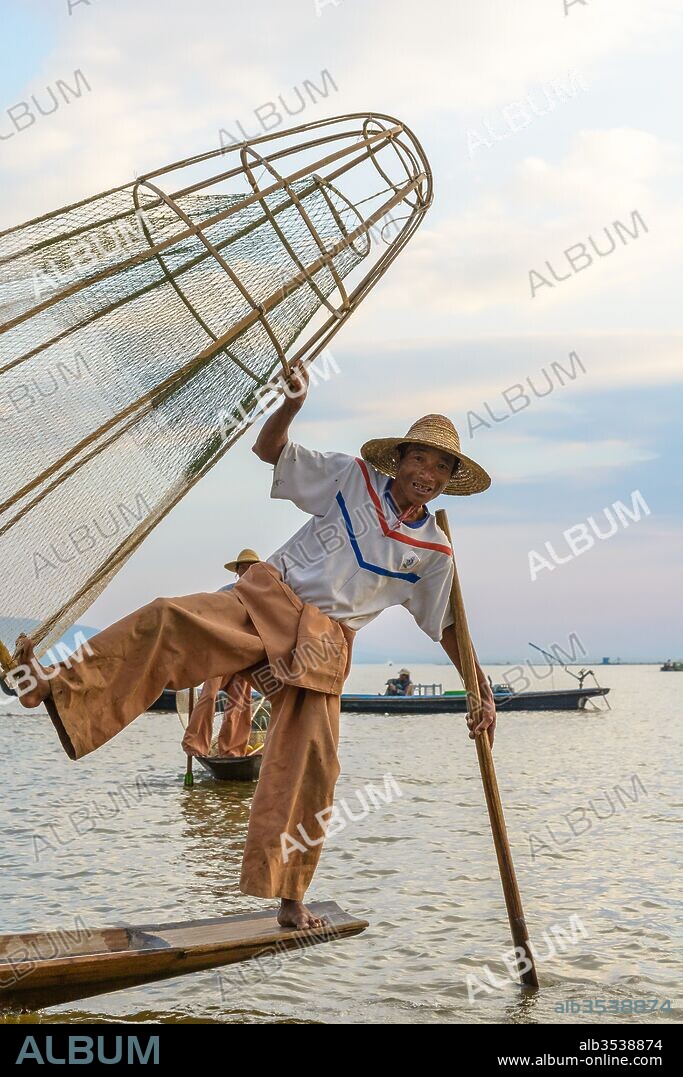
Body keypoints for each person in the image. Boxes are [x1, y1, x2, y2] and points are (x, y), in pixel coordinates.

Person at [12, 360, 497, 930]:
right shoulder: (352, 477)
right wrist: (289, 406)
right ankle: (57, 685)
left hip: (323, 645)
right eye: (421, 459)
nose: (429, 474)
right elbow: (272, 452)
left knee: (313, 766)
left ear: (448, 479)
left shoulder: (435, 552)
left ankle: (290, 899)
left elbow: (447, 627)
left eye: (441, 467)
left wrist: (480, 690)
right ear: (400, 461)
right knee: (170, 617)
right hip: (268, 599)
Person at [190, 550, 262, 759]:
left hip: (245, 655)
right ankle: (196, 745)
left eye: (252, 567)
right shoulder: (226, 593)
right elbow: (210, 618)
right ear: (237, 571)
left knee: (239, 702)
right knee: (208, 695)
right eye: (243, 567)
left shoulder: (263, 595)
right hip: (220, 653)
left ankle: (232, 750)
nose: (247, 571)